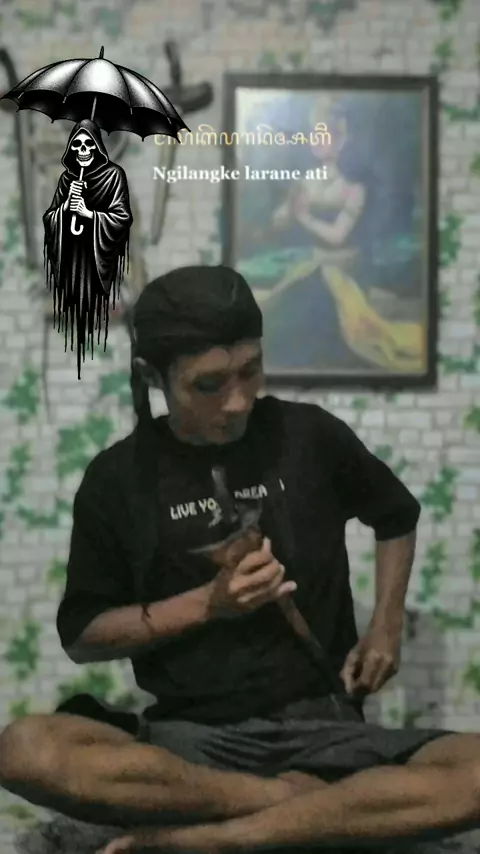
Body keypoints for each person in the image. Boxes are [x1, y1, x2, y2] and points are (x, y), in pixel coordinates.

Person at [1, 265, 480, 854]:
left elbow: (396, 515)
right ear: (151, 376)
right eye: (208, 385)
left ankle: (207, 840)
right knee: (25, 749)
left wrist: (386, 624)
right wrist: (210, 604)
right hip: (190, 748)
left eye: (250, 371)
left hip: (326, 729)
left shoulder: (309, 435)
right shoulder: (116, 480)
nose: (237, 402)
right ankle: (298, 807)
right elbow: (84, 636)